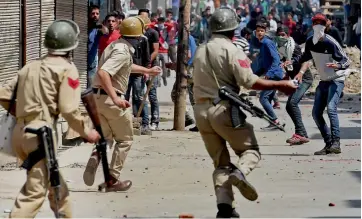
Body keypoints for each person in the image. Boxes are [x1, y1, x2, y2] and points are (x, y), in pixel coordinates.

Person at [192, 7, 297, 218]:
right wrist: (281, 84)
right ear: (233, 31)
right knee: (250, 151)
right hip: (223, 109)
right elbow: (249, 81)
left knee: (220, 163)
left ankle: (225, 207)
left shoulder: (201, 49)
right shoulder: (231, 49)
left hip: (200, 112)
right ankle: (240, 172)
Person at [0, 19, 100, 218]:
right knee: (34, 193)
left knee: (57, 188)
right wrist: (86, 132)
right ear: (72, 45)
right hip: (41, 136)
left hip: (20, 134)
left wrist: (21, 114)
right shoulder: (67, 69)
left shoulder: (30, 67)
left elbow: (3, 94)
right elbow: (69, 110)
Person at [83, 17, 161, 191]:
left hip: (97, 100)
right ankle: (112, 180)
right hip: (111, 100)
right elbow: (104, 73)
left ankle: (97, 155)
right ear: (139, 37)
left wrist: (147, 70)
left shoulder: (116, 45)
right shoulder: (122, 51)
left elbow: (125, 66)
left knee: (107, 138)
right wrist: (116, 98)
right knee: (125, 140)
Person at [298, 13, 350, 155]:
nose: (318, 25)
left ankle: (336, 143)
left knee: (331, 108)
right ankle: (328, 144)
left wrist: (338, 66)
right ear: (312, 25)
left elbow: (347, 61)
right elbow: (304, 57)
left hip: (336, 79)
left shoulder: (330, 42)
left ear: (325, 24)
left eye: (320, 23)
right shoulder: (310, 42)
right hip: (324, 80)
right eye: (315, 23)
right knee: (316, 113)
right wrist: (292, 61)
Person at [275, 26, 314, 145]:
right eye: (279, 35)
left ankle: (300, 134)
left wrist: (301, 73)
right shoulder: (281, 48)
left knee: (292, 103)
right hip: (295, 80)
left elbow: (306, 62)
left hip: (305, 79)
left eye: (283, 35)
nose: (281, 37)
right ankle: (302, 134)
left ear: (288, 35)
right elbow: (288, 64)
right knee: (289, 106)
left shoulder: (294, 47)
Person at [255, 21, 285, 130]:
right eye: (258, 31)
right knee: (268, 98)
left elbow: (276, 59)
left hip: (275, 75)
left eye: (262, 31)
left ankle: (275, 121)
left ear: (265, 32)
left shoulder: (267, 43)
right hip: (273, 74)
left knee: (263, 99)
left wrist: (269, 73)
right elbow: (264, 64)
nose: (260, 33)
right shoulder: (263, 44)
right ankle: (274, 121)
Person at [138, 10, 161, 131]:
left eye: (145, 17)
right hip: (140, 68)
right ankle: (143, 120)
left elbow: (155, 50)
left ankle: (155, 120)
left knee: (152, 95)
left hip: (152, 67)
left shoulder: (153, 33)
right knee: (141, 95)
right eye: (141, 17)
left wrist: (148, 66)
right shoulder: (136, 32)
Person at [88, 5, 102, 88]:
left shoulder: (98, 29)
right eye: (93, 13)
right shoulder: (84, 27)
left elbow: (106, 31)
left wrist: (100, 26)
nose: (95, 15)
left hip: (92, 63)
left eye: (97, 13)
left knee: (91, 87)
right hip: (80, 61)